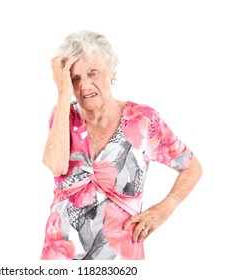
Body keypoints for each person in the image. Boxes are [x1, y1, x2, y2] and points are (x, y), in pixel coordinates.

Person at [40, 30, 202, 260]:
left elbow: (192, 167)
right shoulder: (63, 114)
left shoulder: (143, 120)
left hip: (121, 258)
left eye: (92, 73)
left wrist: (163, 210)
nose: (84, 86)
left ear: (112, 71)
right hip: (60, 257)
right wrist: (63, 92)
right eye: (75, 79)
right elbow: (55, 166)